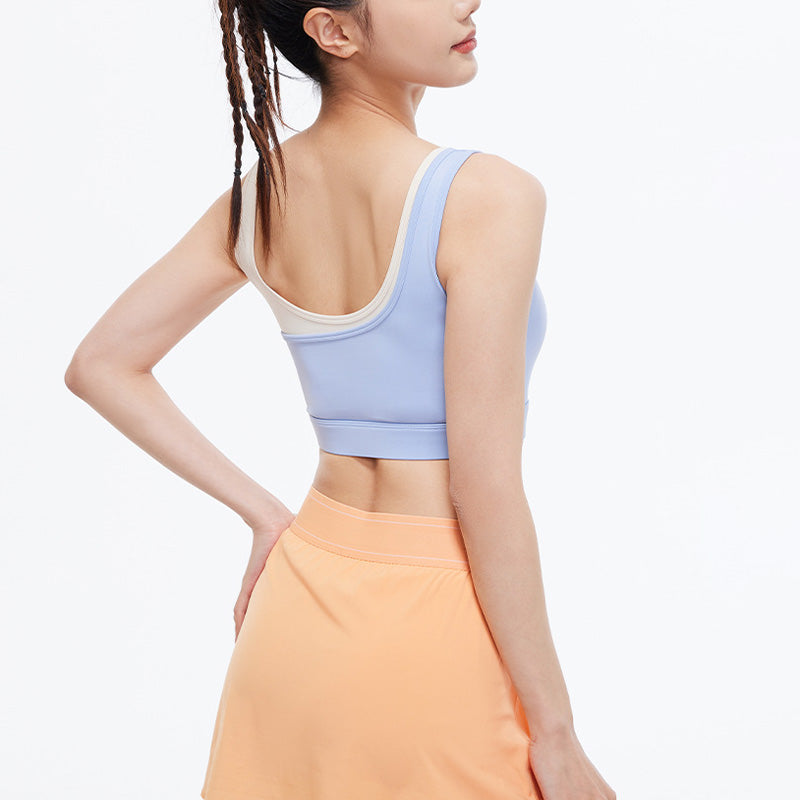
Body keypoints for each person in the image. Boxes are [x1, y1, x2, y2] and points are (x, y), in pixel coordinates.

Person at [65, 1, 616, 798]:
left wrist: (266, 516)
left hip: (295, 612)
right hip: (438, 622)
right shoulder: (488, 194)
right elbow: (484, 487)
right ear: (335, 32)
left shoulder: (263, 197)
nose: (467, 2)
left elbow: (102, 363)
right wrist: (555, 734)